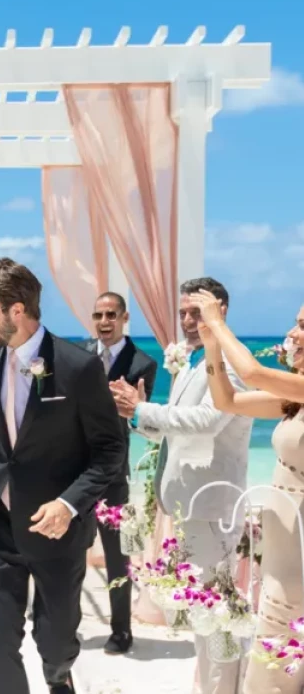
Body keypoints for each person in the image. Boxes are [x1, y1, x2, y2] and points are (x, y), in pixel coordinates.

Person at [0, 258, 126, 694]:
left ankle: (60, 680)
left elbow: (110, 451)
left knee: (55, 644)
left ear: (16, 311)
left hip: (57, 531)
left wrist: (67, 504)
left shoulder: (78, 367)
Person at [110, 277, 253, 694]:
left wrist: (145, 408)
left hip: (214, 509)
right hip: (189, 506)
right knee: (202, 613)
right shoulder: (191, 360)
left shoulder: (230, 362)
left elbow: (209, 421)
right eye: (184, 313)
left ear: (221, 309)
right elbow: (179, 432)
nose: (188, 321)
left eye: (198, 312)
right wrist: (137, 418)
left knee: (218, 616)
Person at [189, 292, 304, 694]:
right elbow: (229, 399)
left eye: (303, 326)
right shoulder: (295, 398)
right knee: (279, 638)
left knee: (284, 643)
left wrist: (219, 322)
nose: (292, 333)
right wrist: (212, 347)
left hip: (299, 551)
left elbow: (252, 374)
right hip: (283, 541)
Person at [78, 291, 157, 654]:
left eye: (111, 314)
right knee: (68, 550)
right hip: (72, 468)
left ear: (125, 318)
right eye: (98, 315)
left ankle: (121, 630)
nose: (104, 321)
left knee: (116, 555)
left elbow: (135, 417)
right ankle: (65, 624)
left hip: (112, 472)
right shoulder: (77, 354)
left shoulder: (141, 363)